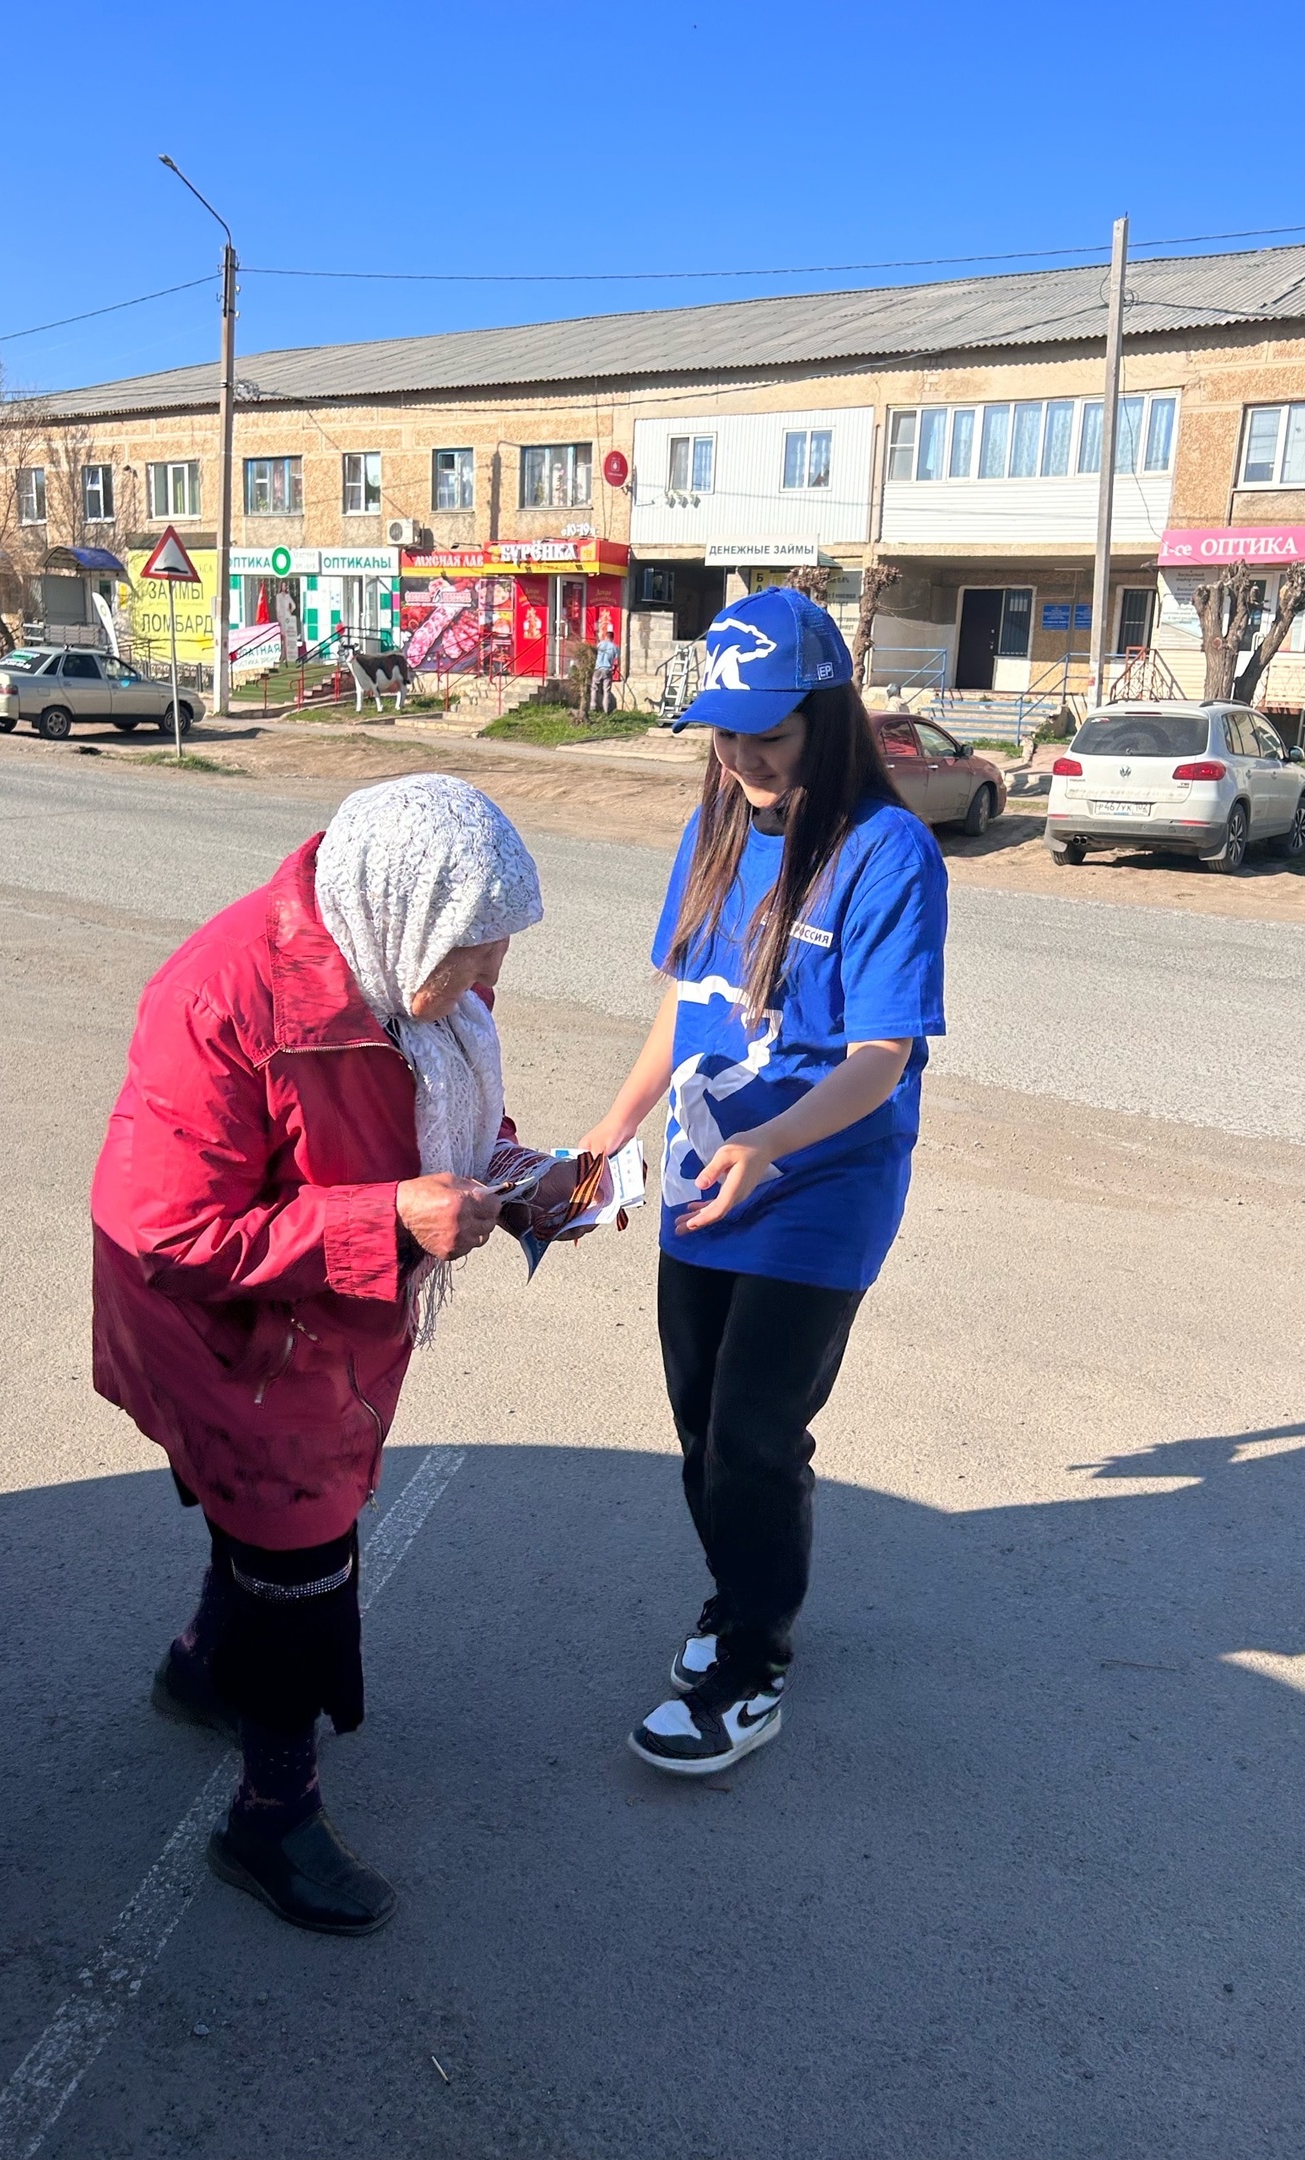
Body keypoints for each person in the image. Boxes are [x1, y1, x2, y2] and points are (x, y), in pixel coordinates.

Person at [91, 774, 573, 1933]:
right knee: (303, 1568)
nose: (489, 985)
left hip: (325, 1318)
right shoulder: (223, 997)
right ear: (397, 910)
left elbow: (438, 1118)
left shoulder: (394, 956)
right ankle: (270, 1815)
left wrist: (512, 1173)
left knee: (265, 1526)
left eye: (495, 954)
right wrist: (384, 1220)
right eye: (472, 957)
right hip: (230, 1334)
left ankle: (200, 1667)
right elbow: (166, 1229)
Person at [579, 584, 948, 1777]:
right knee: (698, 1431)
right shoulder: (717, 830)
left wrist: (774, 1145)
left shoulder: (889, 853)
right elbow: (680, 1014)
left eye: (771, 736)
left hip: (820, 1180)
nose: (743, 760)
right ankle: (737, 1593)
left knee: (753, 1431)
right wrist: (607, 1134)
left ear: (831, 720)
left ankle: (755, 1660)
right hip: (708, 1166)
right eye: (725, 734)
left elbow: (882, 1060)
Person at [590, 621, 620, 714]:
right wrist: (615, 668)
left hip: (598, 669)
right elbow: (617, 661)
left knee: (594, 688)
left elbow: (594, 655)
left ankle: (593, 706)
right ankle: (606, 710)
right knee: (606, 691)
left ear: (606, 636)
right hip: (607, 670)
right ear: (612, 638)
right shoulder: (615, 647)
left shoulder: (600, 644)